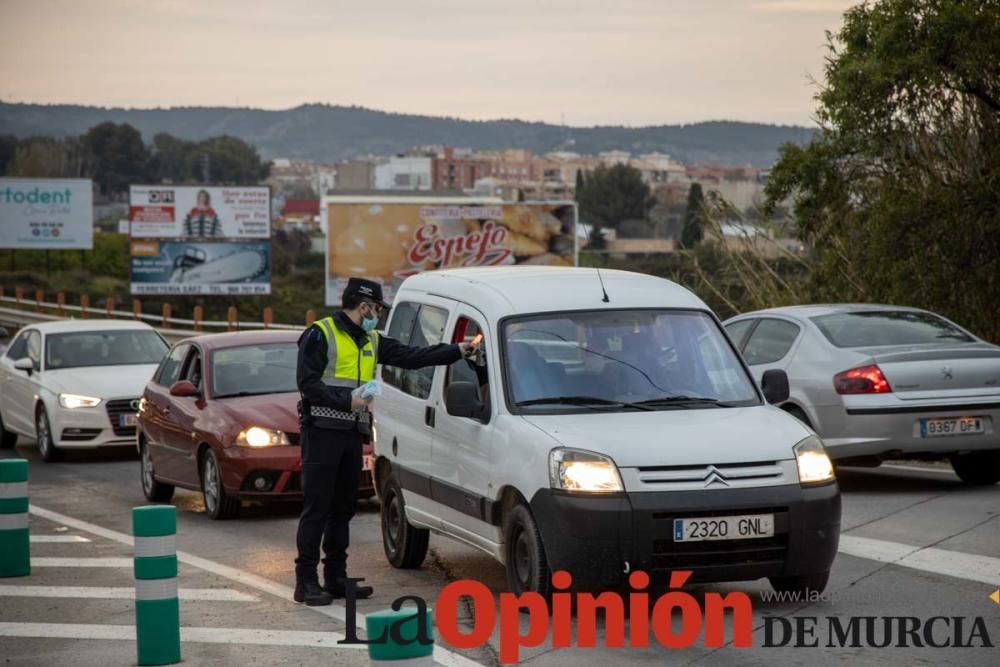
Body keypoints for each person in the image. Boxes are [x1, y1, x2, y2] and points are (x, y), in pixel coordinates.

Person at [293, 277, 476, 606]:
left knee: (343, 508)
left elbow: (413, 356)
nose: (378, 314)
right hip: (321, 433)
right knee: (317, 509)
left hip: (351, 434)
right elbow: (307, 384)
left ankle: (335, 576)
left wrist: (458, 351)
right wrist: (346, 399)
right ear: (364, 306)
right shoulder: (320, 334)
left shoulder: (372, 339)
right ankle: (305, 580)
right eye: (376, 308)